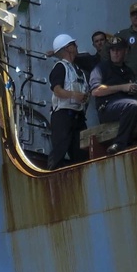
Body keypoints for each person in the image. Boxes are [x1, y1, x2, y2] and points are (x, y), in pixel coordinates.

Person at [89, 37, 137, 155]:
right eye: (113, 50)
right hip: (107, 107)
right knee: (132, 105)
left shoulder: (128, 71)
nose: (116, 53)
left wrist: (132, 89)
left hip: (125, 106)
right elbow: (96, 91)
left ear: (125, 51)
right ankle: (120, 144)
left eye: (118, 50)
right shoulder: (101, 68)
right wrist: (123, 87)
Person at [46, 33, 89, 170]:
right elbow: (57, 90)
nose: (76, 47)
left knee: (82, 152)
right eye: (73, 45)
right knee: (60, 149)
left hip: (78, 117)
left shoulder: (79, 71)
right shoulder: (60, 67)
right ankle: (51, 177)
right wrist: (74, 95)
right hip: (63, 116)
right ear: (68, 48)